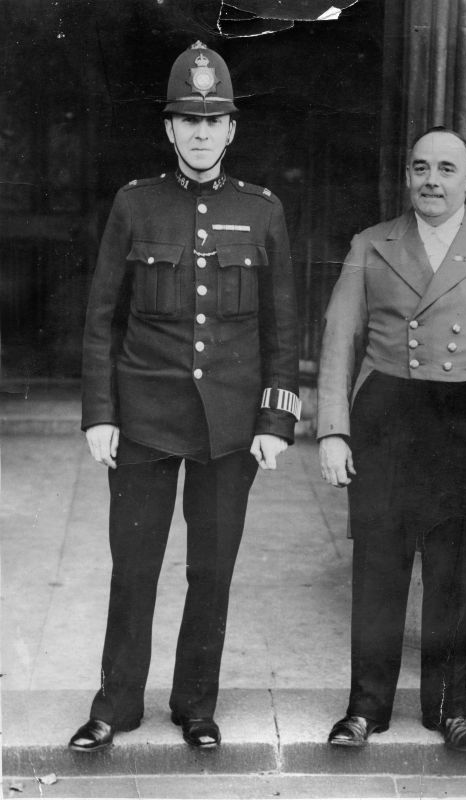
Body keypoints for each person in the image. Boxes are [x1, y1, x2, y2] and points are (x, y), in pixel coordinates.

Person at [69, 42, 300, 752]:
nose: (200, 134)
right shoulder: (134, 205)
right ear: (168, 129)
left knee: (212, 570)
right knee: (133, 567)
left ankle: (196, 705)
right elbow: (102, 317)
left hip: (230, 425)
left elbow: (283, 326)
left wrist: (275, 418)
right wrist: (100, 415)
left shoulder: (261, 212)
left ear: (232, 130)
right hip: (142, 418)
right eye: (186, 121)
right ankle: (115, 704)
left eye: (214, 121)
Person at [317, 126, 466, 752]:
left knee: (453, 573)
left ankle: (450, 710)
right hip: (386, 415)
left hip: (465, 422)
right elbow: (340, 342)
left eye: (447, 169)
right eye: (420, 168)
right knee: (379, 568)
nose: (431, 180)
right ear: (408, 177)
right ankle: (365, 709)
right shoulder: (372, 244)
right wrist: (333, 431)